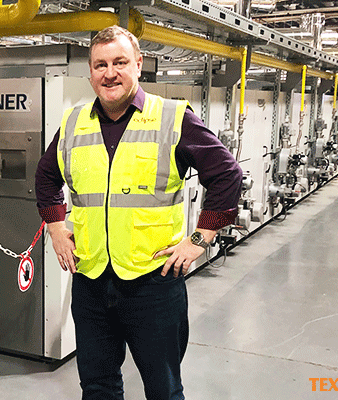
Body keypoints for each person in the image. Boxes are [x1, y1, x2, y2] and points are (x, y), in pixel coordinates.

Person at [35, 26, 243, 399]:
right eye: (100, 65)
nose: (109, 73)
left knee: (163, 389)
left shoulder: (172, 117)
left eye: (120, 62)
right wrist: (55, 227)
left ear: (138, 64)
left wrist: (200, 239)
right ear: (90, 72)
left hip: (153, 281)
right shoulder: (74, 122)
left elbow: (227, 174)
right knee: (97, 386)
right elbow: (46, 176)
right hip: (91, 278)